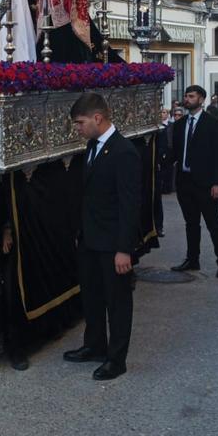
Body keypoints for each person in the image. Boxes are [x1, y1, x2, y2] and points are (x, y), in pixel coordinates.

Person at [61, 92, 140, 381]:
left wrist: (124, 249)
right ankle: (94, 345)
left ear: (98, 117)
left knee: (117, 302)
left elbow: (130, 205)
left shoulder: (124, 152)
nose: (77, 129)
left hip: (112, 245)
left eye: (80, 123)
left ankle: (116, 359)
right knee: (92, 298)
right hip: (90, 240)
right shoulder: (92, 148)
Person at [167, 85, 218, 279]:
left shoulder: (213, 124)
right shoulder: (180, 124)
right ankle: (192, 259)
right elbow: (175, 152)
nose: (187, 99)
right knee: (191, 223)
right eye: (185, 96)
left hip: (206, 183)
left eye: (191, 96)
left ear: (201, 99)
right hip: (185, 181)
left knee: (214, 223)